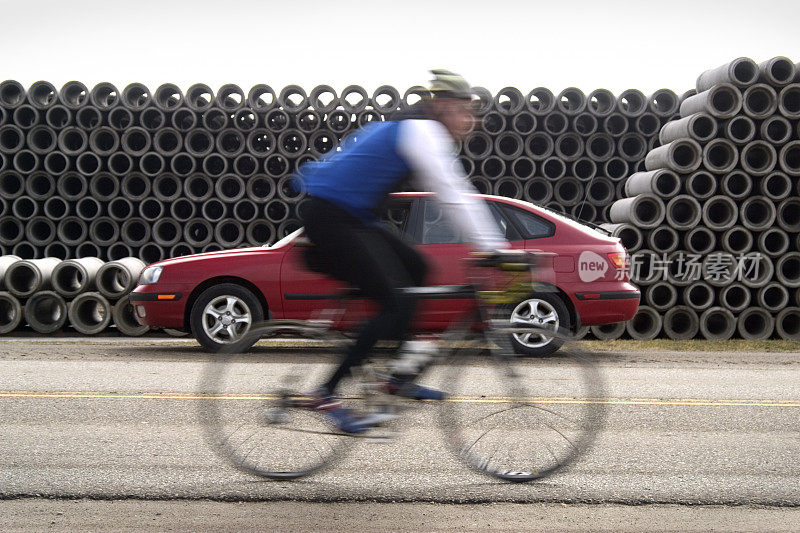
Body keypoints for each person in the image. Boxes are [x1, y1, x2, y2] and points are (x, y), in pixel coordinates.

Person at [298, 70, 508, 433]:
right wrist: (496, 249)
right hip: (332, 219)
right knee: (394, 301)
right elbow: (452, 194)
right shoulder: (421, 131)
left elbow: (449, 193)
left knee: (418, 268)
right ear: (441, 107)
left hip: (353, 217)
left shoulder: (413, 128)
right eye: (464, 110)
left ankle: (399, 375)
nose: (471, 120)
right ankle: (326, 392)